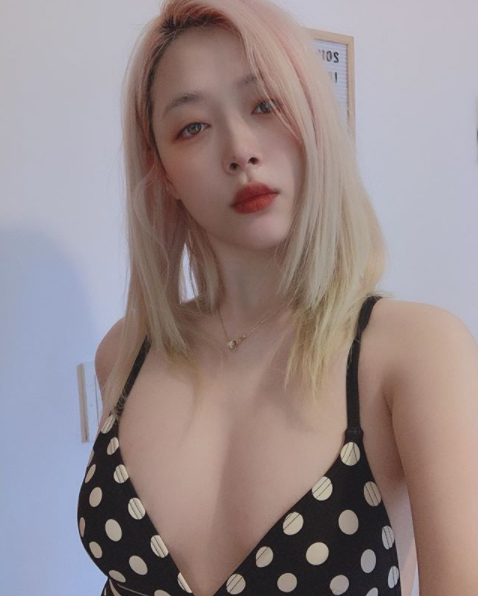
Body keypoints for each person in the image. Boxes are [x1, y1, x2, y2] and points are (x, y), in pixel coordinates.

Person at [77, 1, 478, 595]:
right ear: (162, 173)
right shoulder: (126, 352)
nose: (240, 149)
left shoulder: (415, 353)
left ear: (315, 119)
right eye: (192, 127)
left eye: (266, 104)